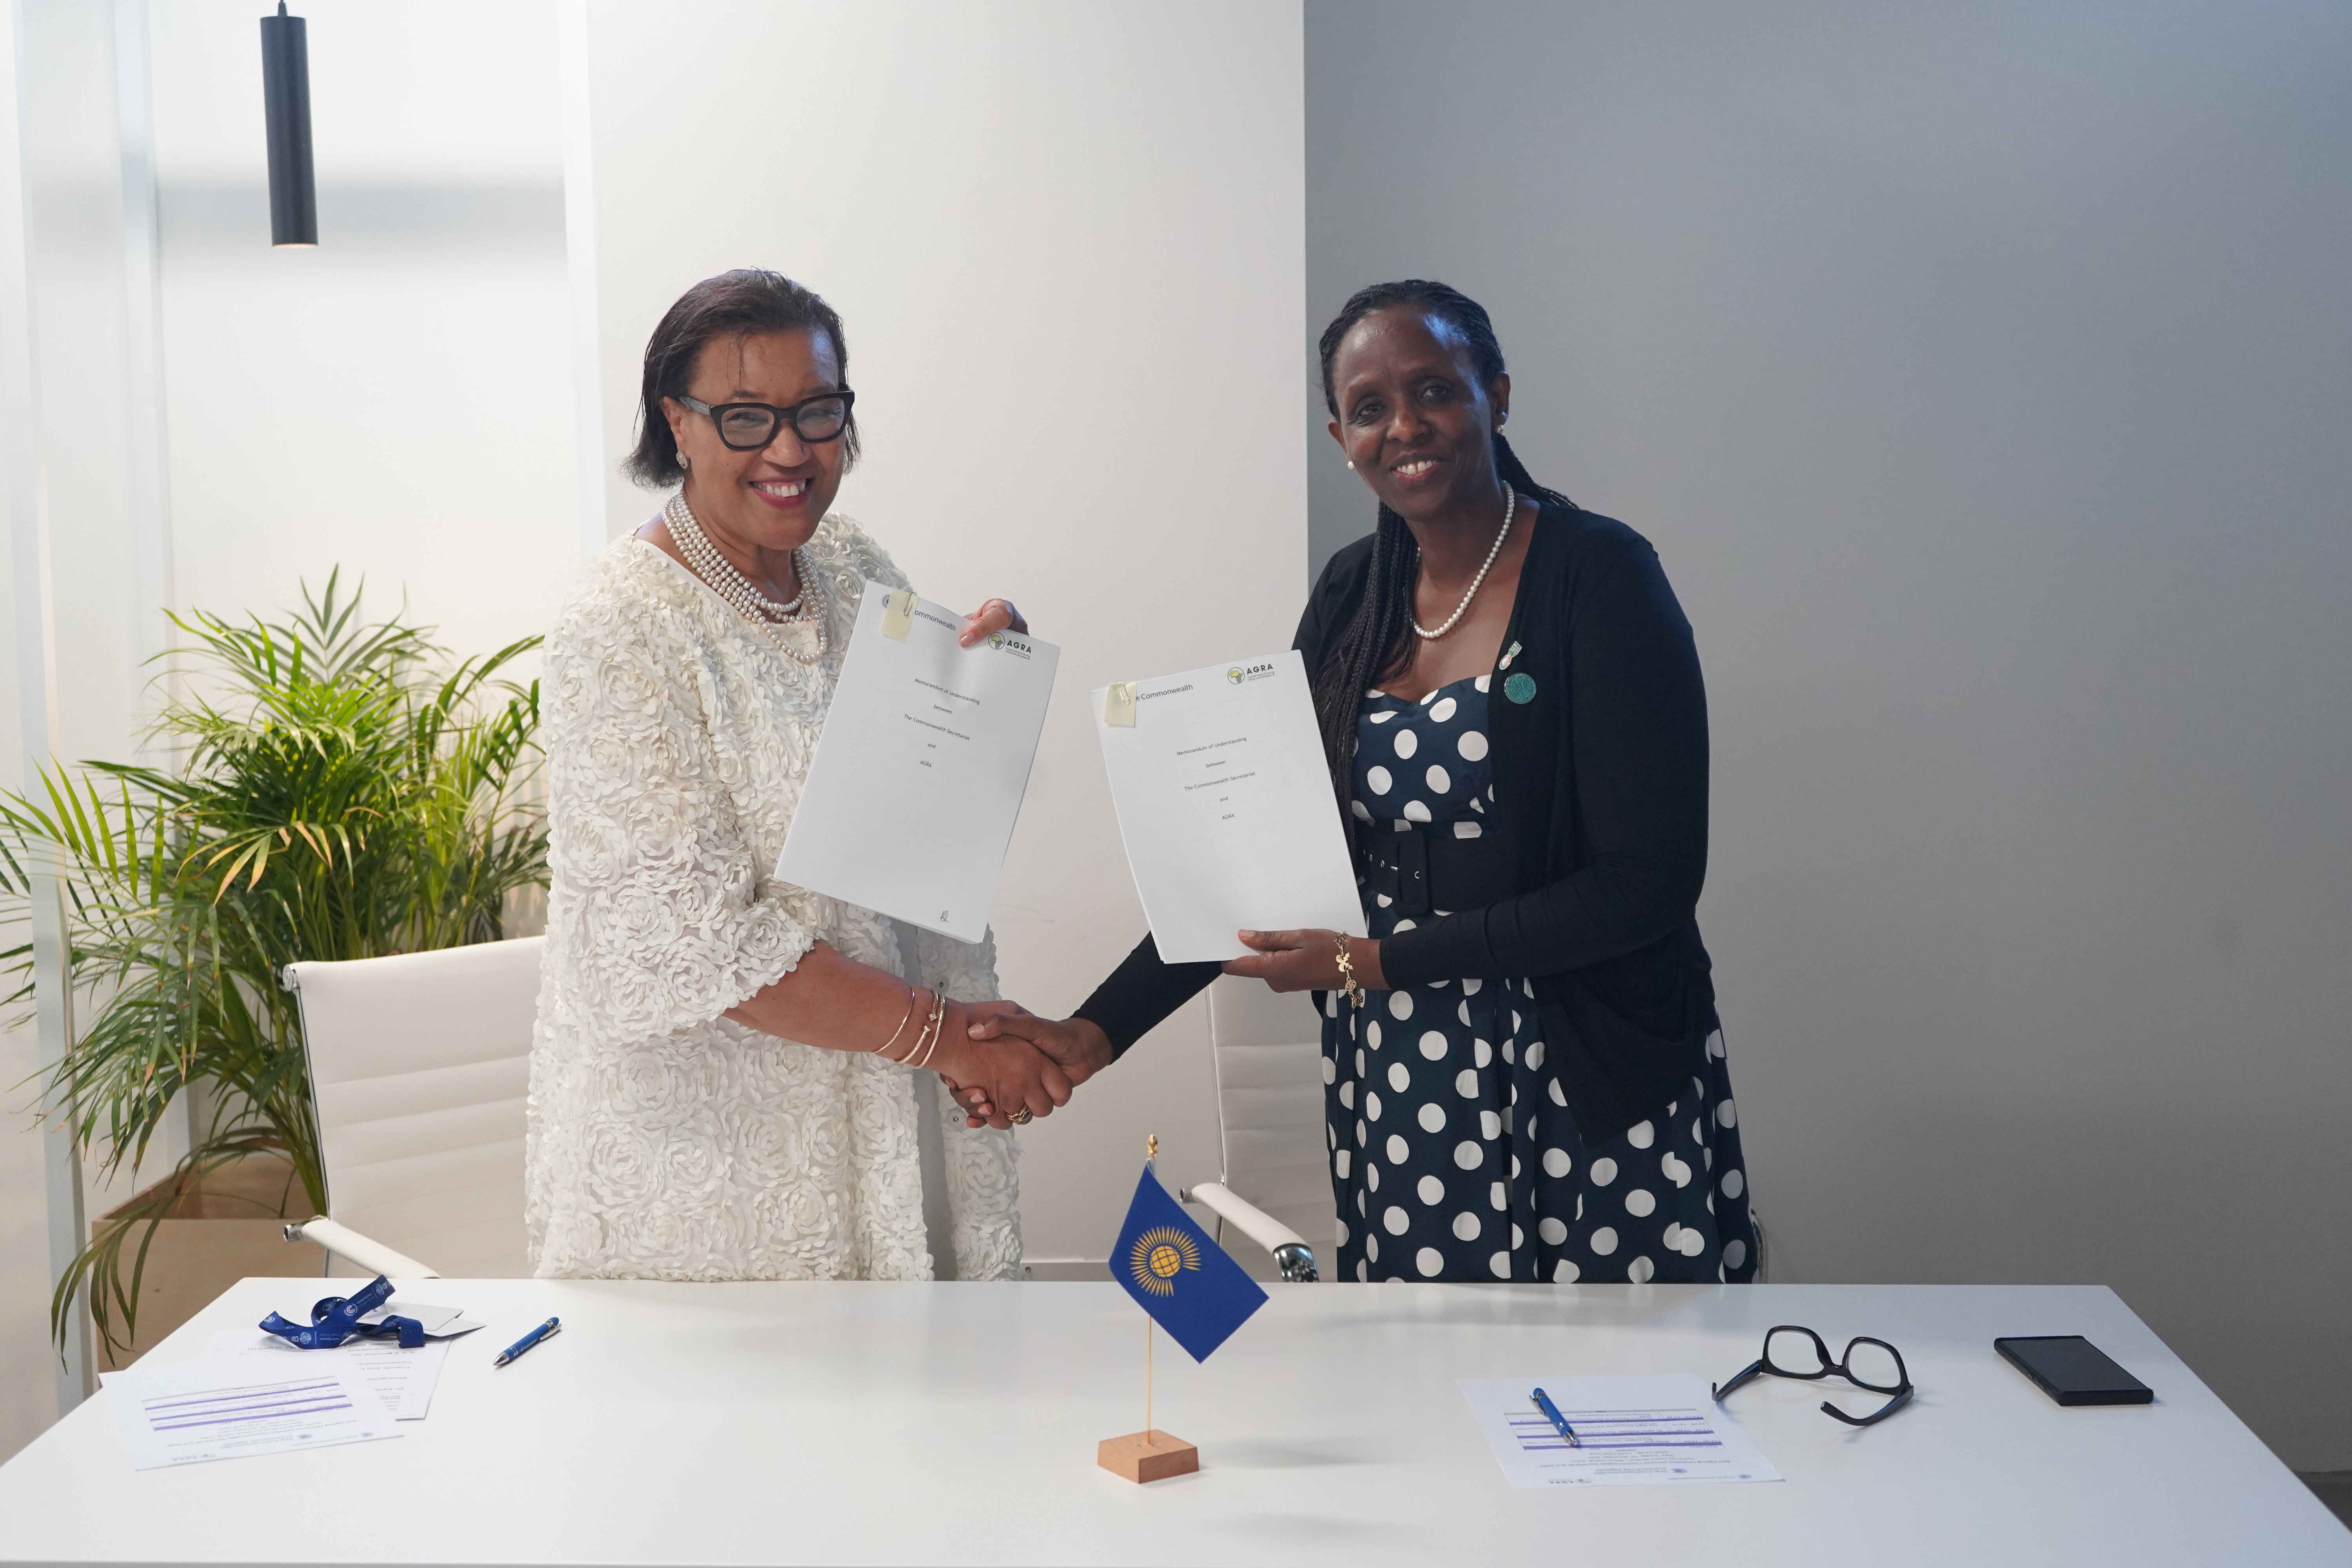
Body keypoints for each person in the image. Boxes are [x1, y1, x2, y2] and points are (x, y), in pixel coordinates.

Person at [970, 280, 1758, 1285]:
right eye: (1372, 407)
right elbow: (1258, 846)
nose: (1406, 426)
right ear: (1340, 432)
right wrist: (1095, 1031)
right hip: (1403, 1069)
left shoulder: (1598, 576)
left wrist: (1372, 964)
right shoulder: (1354, 591)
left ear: (1497, 396)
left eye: (1435, 389)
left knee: (1613, 1390)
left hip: (1586, 1060)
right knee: (1425, 1364)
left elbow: (1646, 884)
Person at [525, 269, 1065, 1283]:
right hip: (715, 1180)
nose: (788, 450)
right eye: (744, 417)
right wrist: (948, 1038)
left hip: (883, 1112)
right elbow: (692, 944)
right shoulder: (618, 627)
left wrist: (982, 693)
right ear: (674, 425)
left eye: (817, 411)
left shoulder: (852, 567)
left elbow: (911, 818)